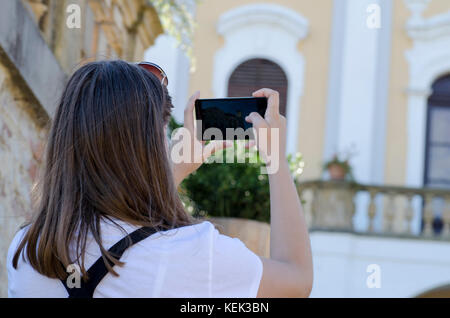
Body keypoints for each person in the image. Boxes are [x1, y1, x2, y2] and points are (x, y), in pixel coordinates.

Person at [7, 60, 313, 298]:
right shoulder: (190, 254)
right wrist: (275, 158)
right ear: (149, 146)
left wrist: (170, 174)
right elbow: (296, 280)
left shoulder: (25, 250)